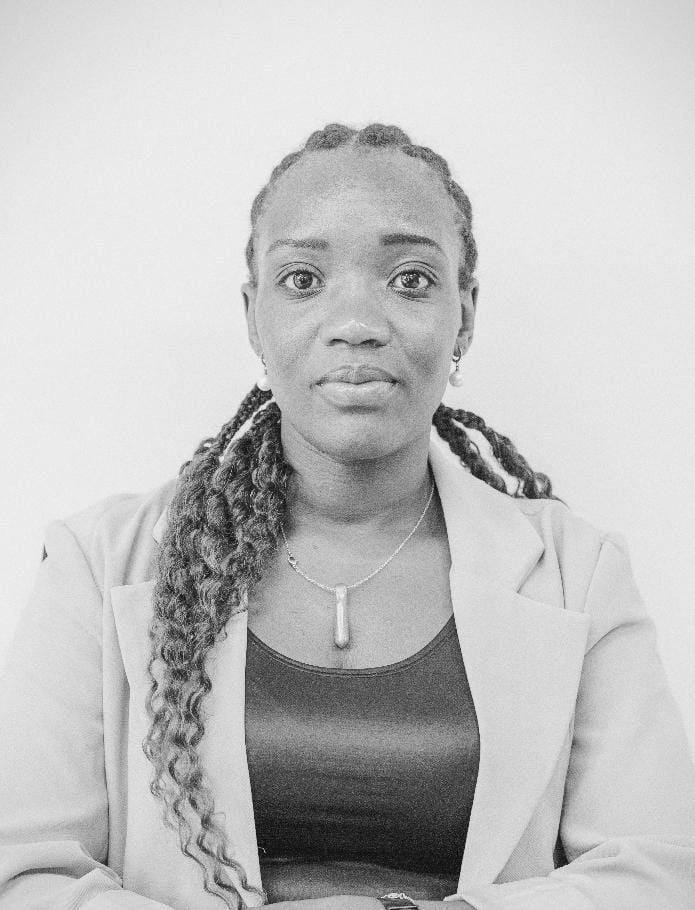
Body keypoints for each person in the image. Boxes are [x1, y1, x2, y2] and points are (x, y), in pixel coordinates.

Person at [1, 123, 694, 910]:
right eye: (302, 279)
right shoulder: (98, 563)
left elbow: (658, 874)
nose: (357, 321)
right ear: (253, 316)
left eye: (410, 279)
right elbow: (23, 874)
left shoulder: (579, 573)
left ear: (464, 315)